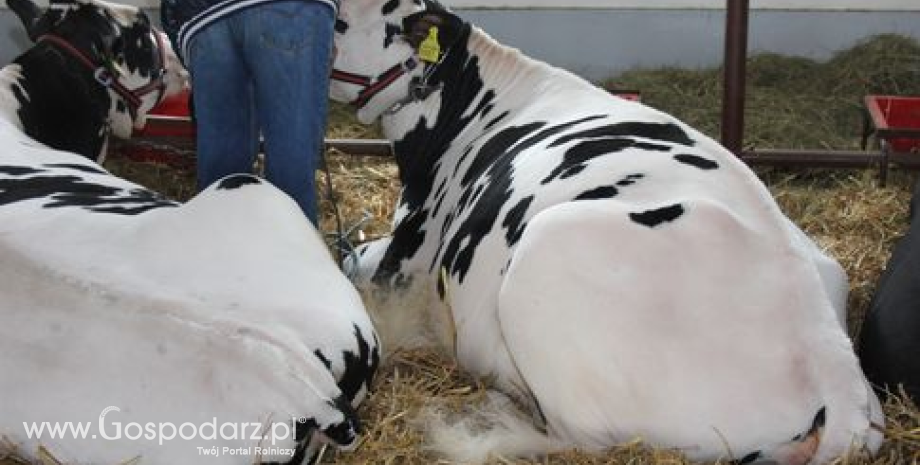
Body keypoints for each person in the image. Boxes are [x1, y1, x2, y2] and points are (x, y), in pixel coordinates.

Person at [160, 0, 338, 225]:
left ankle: (219, 251)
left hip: (200, 16)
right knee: (293, 151)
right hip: (288, 9)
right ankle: (291, 252)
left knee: (222, 167)